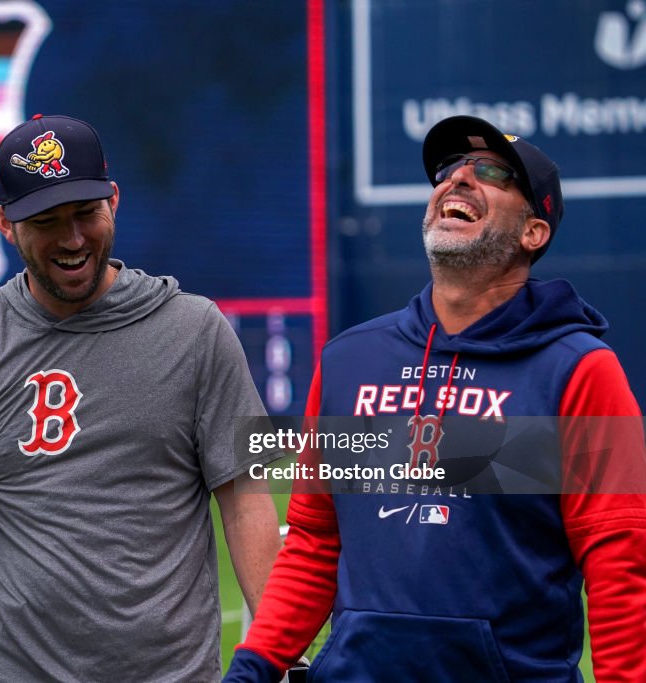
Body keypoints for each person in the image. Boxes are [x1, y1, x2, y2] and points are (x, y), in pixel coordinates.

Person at [0, 113, 283, 682]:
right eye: (46, 220)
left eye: (86, 213)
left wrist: (281, 657)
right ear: (4, 224)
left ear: (114, 200)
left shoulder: (196, 331)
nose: (73, 238)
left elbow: (247, 499)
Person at [224, 115, 646, 681]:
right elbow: (315, 544)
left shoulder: (579, 372)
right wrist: (252, 669)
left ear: (534, 231)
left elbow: (619, 568)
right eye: (448, 170)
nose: (458, 180)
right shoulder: (350, 360)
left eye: (492, 172)